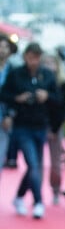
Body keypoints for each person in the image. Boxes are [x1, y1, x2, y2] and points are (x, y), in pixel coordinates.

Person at [0, 41, 57, 219]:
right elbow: (4, 95)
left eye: (37, 58)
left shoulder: (47, 75)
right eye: (31, 57)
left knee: (35, 166)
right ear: (25, 56)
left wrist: (46, 96)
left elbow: (58, 100)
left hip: (40, 125)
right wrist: (18, 99)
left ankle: (19, 196)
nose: (34, 61)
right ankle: (38, 201)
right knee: (33, 164)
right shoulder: (16, 74)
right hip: (21, 126)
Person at [43, 50, 65, 205]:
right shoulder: (38, 80)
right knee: (36, 162)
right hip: (39, 125)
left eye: (51, 62)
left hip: (56, 126)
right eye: (45, 63)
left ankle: (55, 190)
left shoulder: (63, 83)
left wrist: (55, 129)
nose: (48, 66)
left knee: (55, 163)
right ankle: (37, 193)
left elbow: (64, 108)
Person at [0, 33, 14, 179]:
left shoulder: (13, 70)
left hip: (4, 119)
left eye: (5, 47)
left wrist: (9, 114)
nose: (2, 50)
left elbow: (13, 95)